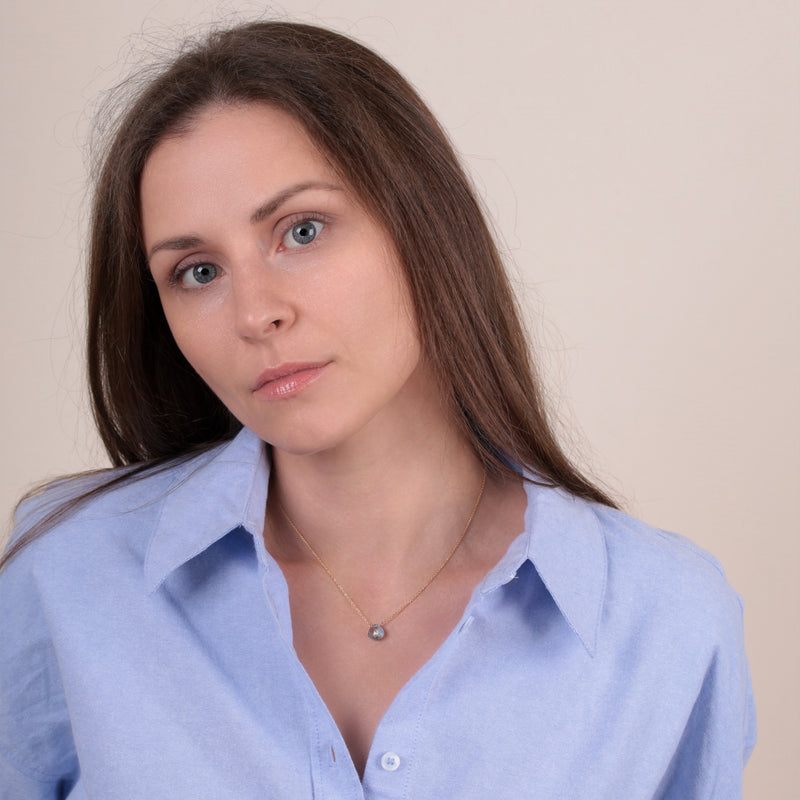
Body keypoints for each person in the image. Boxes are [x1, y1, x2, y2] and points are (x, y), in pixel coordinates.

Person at [0, 20, 755, 799]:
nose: (255, 313)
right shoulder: (70, 577)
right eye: (197, 272)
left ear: (422, 224)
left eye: (302, 231)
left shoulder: (665, 623)